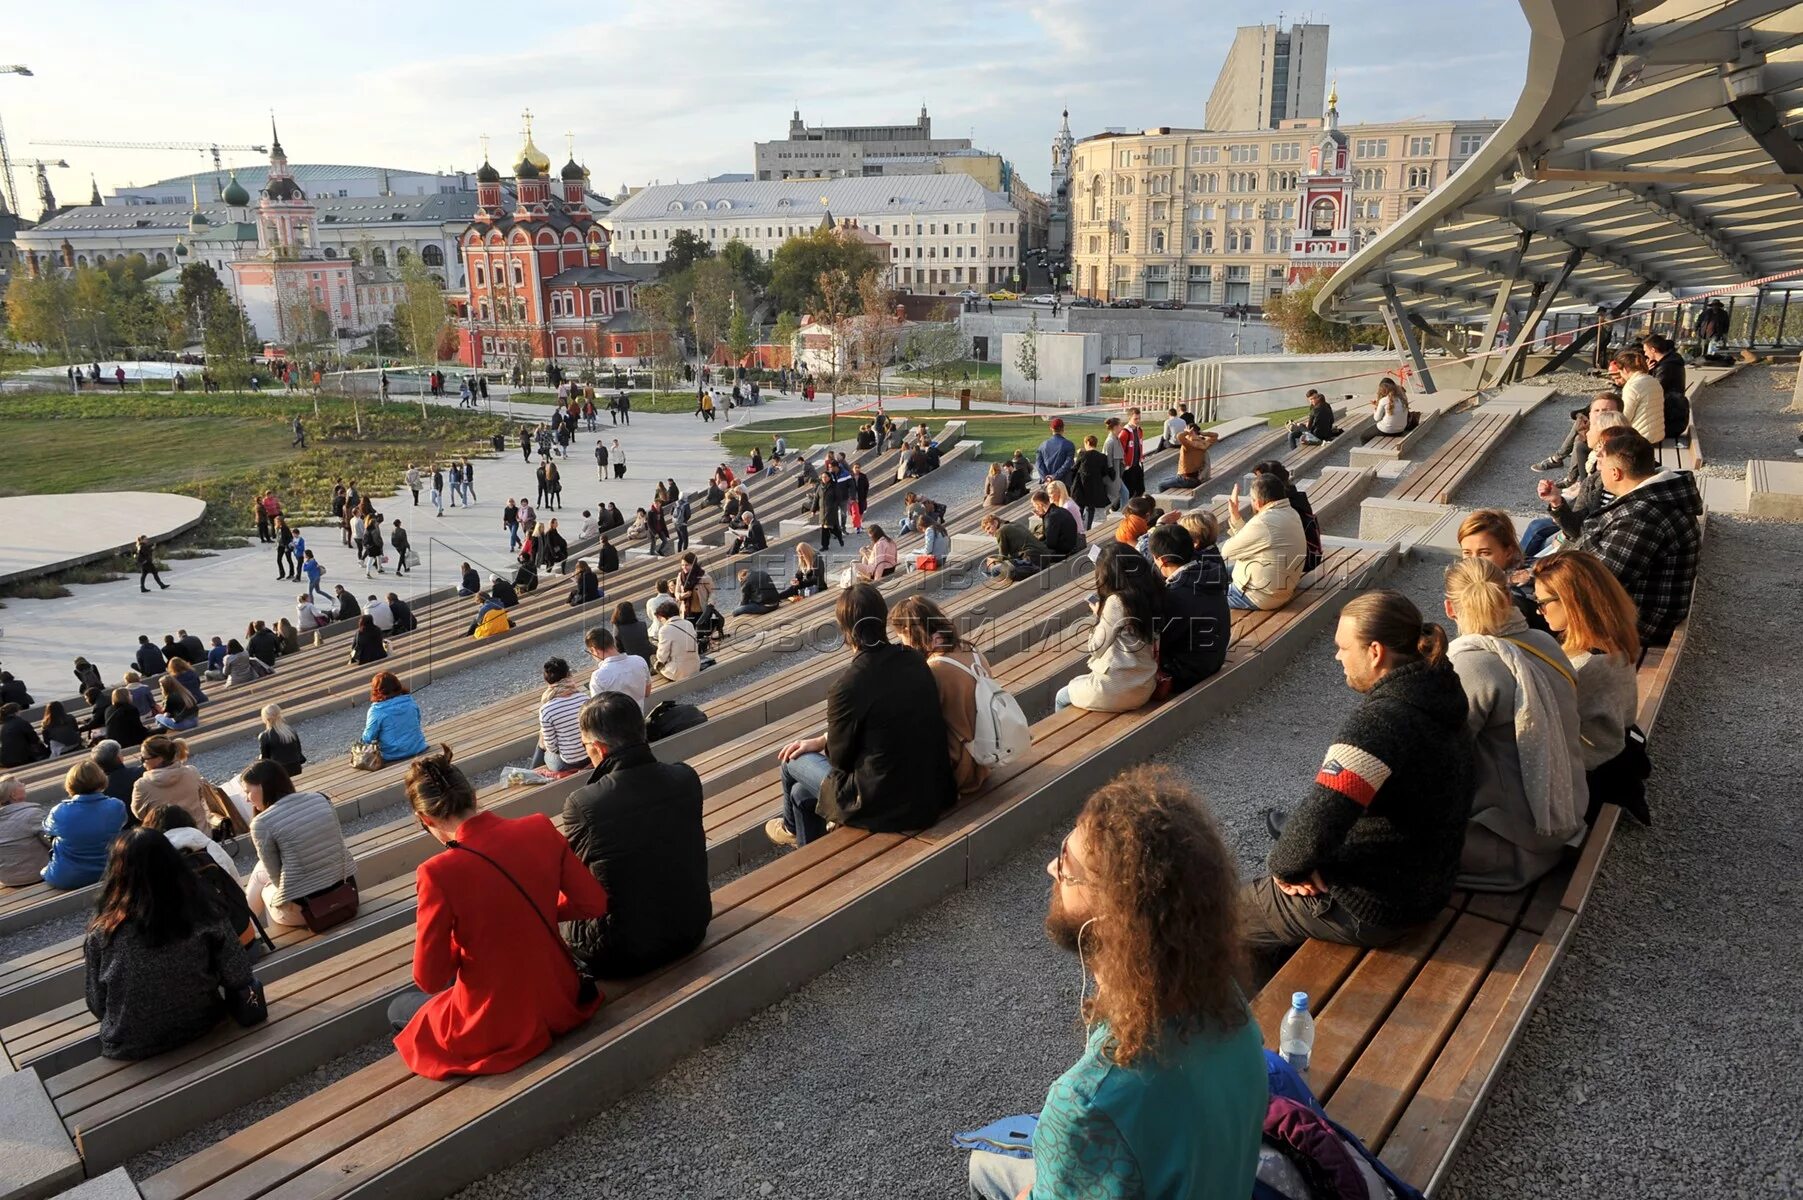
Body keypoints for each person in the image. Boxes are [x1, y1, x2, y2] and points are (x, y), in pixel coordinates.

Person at [1246, 590, 1475, 957]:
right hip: (1427, 886)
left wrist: (1287, 868)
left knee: (1215, 915)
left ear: (1375, 652)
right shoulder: (1441, 695)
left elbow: (1317, 824)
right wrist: (1310, 853)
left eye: (1342, 647)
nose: (1337, 656)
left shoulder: (1380, 723)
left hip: (1374, 906)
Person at [387, 746, 607, 1079]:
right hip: (561, 998)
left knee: (399, 1010)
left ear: (425, 820)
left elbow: (429, 978)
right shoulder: (537, 827)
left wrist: (465, 943)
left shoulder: (437, 872)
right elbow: (594, 903)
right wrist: (537, 912)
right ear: (473, 795)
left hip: (497, 1022)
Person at [766, 585, 955, 847]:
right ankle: (806, 849)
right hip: (929, 794)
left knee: (790, 762)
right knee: (801, 794)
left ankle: (788, 829)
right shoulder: (913, 659)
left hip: (885, 805)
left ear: (845, 629)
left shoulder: (846, 686)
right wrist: (822, 740)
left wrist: (829, 743)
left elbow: (840, 760)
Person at [561, 693, 709, 976]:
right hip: (691, 927)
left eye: (586, 748)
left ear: (600, 750)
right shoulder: (685, 776)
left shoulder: (584, 803)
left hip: (619, 954)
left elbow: (578, 881)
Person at [82, 827, 251, 1061]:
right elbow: (239, 974)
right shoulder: (205, 910)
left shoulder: (104, 932)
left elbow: (97, 1003)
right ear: (174, 862)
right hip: (202, 1022)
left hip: (131, 1043)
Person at [1531, 550, 1645, 824]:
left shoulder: (1584, 667)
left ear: (1571, 602)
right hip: (1616, 753)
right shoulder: (1614, 641)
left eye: (1543, 602)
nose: (1539, 610)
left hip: (1588, 776)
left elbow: (1540, 728)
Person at [1561, 428, 1701, 646]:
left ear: (1616, 473)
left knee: (1526, 613)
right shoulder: (1655, 498)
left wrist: (1588, 528)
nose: (1599, 473)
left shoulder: (1643, 515)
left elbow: (1600, 577)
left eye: (1602, 467)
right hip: (1644, 609)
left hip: (1638, 625)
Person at [889, 596, 990, 796]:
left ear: (910, 632)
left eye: (901, 635)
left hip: (960, 770)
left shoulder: (935, 669)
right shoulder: (970, 649)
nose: (901, 642)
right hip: (984, 758)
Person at [241, 758, 355, 928]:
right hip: (347, 895)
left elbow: (277, 879)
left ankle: (246, 930)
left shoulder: (262, 823)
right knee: (262, 870)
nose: (247, 799)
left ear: (262, 786)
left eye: (248, 791)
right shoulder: (320, 798)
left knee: (261, 880)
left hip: (310, 912)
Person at [1055, 543, 1163, 713]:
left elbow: (1095, 648)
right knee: (1079, 681)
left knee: (1061, 696)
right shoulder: (1153, 591)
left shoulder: (1117, 602)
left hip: (1118, 689)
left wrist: (1099, 615)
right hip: (1145, 682)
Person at [142, 803, 253, 945]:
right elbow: (236, 887)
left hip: (194, 956)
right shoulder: (209, 846)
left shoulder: (155, 861)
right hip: (244, 940)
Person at [1147, 523, 1231, 693]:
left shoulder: (1175, 595)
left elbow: (1158, 641)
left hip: (1186, 673)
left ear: (1161, 560)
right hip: (1213, 660)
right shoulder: (1208, 575)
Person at [1219, 473, 1307, 611]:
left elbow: (1227, 551)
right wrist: (1235, 516)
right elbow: (1252, 541)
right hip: (1280, 589)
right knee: (1215, 571)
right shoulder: (1291, 512)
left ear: (1259, 502)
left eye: (1252, 499)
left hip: (1258, 595)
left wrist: (1233, 515)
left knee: (1204, 596)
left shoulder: (1263, 522)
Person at [44, 759, 129, 889]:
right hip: (111, 871)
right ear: (101, 779)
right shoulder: (116, 805)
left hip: (66, 878)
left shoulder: (59, 811)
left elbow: (47, 828)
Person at [1456, 509, 1544, 629]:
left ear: (1508, 552)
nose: (1475, 561)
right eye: (1467, 553)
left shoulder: (1513, 600)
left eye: (1484, 553)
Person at [130, 735, 209, 826]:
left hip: (165, 838)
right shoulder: (192, 771)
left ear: (159, 759)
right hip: (200, 833)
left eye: (143, 758)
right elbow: (202, 798)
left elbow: (139, 815)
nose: (142, 762)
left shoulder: (142, 785)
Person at [531, 658, 590, 774]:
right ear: (569, 674)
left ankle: (532, 773)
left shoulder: (546, 709)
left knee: (542, 739)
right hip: (591, 754)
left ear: (546, 680)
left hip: (568, 763)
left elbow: (552, 747)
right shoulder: (585, 699)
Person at [361, 671, 429, 763]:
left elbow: (368, 737)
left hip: (392, 754)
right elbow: (418, 720)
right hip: (418, 747)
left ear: (376, 690)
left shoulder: (377, 710)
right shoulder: (409, 701)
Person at [0, 774, 48, 886]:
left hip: (7, 880)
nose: (24, 785)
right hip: (37, 875)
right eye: (20, 783)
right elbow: (53, 843)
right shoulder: (32, 814)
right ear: (14, 795)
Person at [980, 513, 1052, 581]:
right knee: (1006, 566)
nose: (988, 532)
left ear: (995, 522)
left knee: (996, 570)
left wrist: (994, 562)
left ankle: (1032, 569)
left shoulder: (1001, 531)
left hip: (1033, 559)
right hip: (1045, 556)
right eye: (986, 531)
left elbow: (1002, 556)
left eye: (989, 528)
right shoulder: (1015, 524)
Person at [1614, 349, 1666, 444]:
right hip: (1657, 436)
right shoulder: (1654, 381)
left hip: (1641, 439)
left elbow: (1625, 418)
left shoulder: (1632, 386)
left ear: (1625, 369)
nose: (1621, 375)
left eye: (1620, 371)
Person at [1160, 419, 1221, 491]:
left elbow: (1179, 436)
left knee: (1161, 485)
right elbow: (1215, 435)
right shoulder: (1204, 443)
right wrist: (1202, 433)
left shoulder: (1189, 444)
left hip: (1187, 479)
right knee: (1167, 479)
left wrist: (1186, 432)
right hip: (1196, 477)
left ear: (1190, 432)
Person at [1070, 435, 1113, 528]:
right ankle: (1088, 527)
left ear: (1088, 443)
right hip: (1095, 485)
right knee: (1091, 507)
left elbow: (1075, 468)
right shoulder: (1102, 457)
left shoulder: (1083, 455)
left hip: (1081, 485)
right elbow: (1104, 472)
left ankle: (1079, 525)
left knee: (1080, 506)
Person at [1029, 490, 1082, 560]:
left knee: (1031, 553)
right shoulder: (1061, 510)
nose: (1035, 509)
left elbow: (1050, 543)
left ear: (1040, 505)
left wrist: (1036, 544)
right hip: (1072, 544)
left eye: (1035, 506)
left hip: (1063, 552)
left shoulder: (1051, 517)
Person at [258, 703, 306, 778]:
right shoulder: (290, 731)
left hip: (279, 772)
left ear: (266, 719)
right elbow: (298, 750)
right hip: (296, 767)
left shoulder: (265, 736)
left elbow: (265, 759)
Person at [1034, 417, 1076, 488]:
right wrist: (1054, 477)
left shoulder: (1042, 445)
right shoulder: (1069, 445)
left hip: (1048, 484)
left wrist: (1046, 478)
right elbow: (1067, 464)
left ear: (1051, 428)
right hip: (1063, 484)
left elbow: (1038, 464)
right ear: (1063, 428)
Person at [612, 601, 656, 666]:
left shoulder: (618, 629)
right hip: (646, 659)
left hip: (630, 660)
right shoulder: (642, 625)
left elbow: (619, 649)